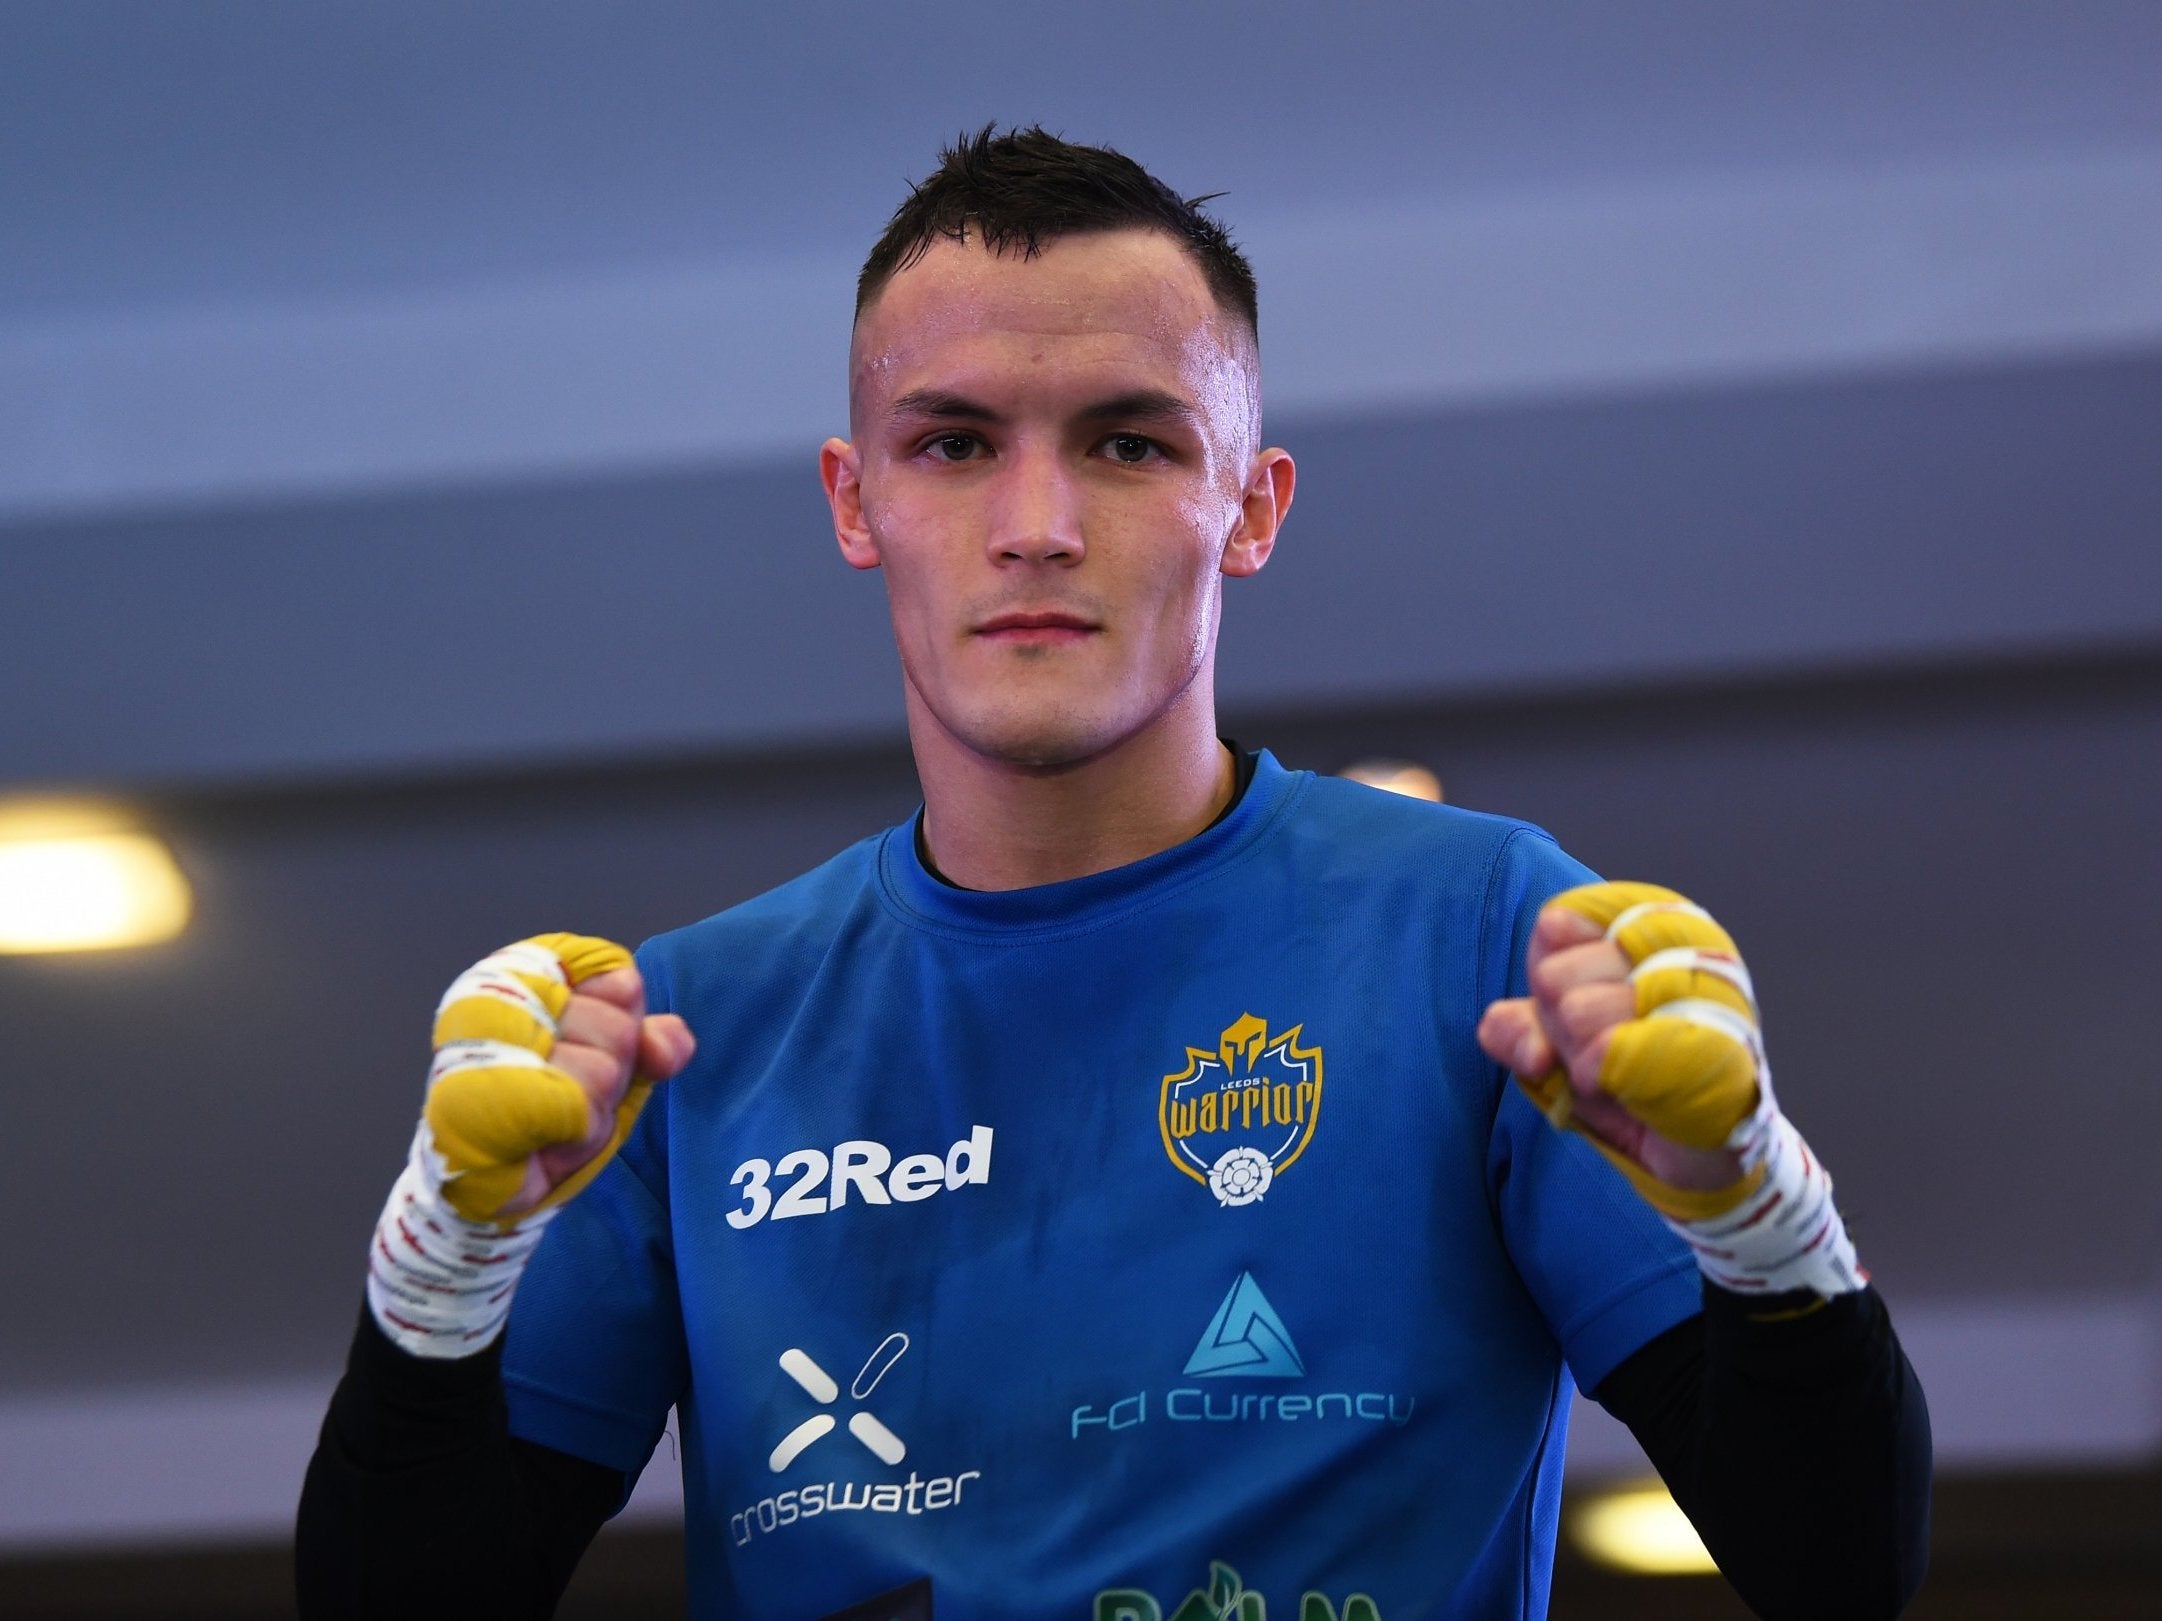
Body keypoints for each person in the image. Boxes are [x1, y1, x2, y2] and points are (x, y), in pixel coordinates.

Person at [297, 127, 1931, 1620]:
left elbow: (1839, 1572)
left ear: (1251, 503)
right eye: (949, 445)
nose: (1037, 523)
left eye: (1129, 444)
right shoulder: (677, 1030)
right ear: (853, 500)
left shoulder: (1481, 931)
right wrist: (448, 1252)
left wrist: (1755, 1208)